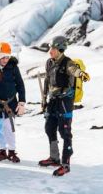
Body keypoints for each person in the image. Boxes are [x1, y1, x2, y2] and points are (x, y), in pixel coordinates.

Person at [38, 36, 90, 176]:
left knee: (65, 131)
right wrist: (44, 99)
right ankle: (54, 157)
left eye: (53, 49)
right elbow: (48, 80)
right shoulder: (49, 63)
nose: (50, 51)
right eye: (50, 48)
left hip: (65, 102)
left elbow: (74, 70)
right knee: (49, 127)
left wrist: (82, 74)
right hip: (53, 101)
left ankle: (66, 163)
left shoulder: (68, 63)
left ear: (60, 49)